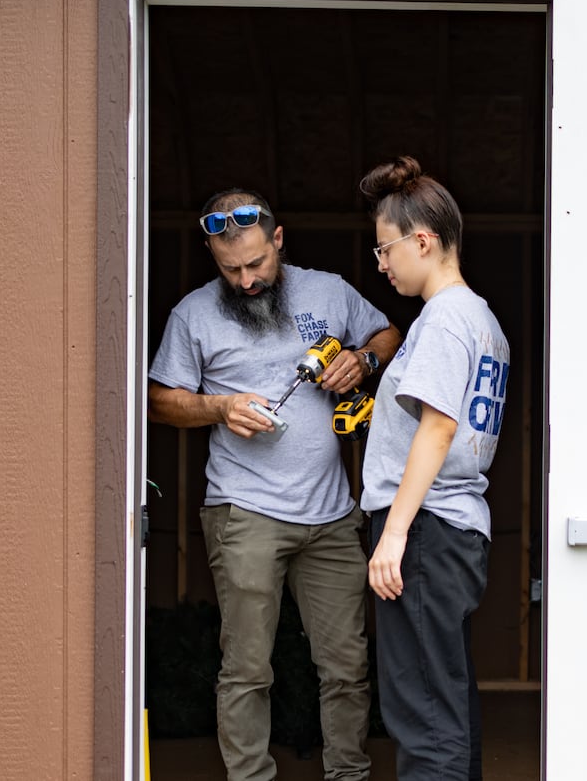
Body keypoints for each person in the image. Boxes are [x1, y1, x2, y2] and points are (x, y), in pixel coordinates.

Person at [147, 189, 402, 781]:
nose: (246, 280)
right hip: (244, 511)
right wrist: (219, 407)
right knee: (247, 668)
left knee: (346, 665)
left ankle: (348, 774)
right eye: (230, 268)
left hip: (333, 515)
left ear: (279, 240)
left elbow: (390, 333)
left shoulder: (329, 290)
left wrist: (363, 361)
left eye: (257, 263)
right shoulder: (193, 314)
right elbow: (160, 400)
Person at [358, 157, 511, 781]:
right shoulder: (482, 319)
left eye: (384, 249)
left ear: (422, 240)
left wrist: (393, 534)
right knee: (445, 701)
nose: (382, 264)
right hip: (453, 529)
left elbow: (439, 425)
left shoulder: (445, 318)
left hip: (423, 530)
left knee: (421, 713)